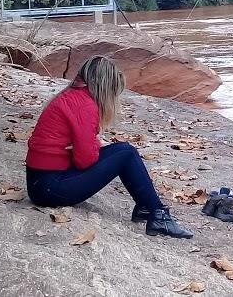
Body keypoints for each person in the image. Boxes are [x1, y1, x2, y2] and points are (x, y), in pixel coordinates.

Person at [24, 55, 192, 238]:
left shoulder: (70, 96)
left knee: (122, 152)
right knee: (126, 153)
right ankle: (158, 215)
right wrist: (89, 149)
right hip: (50, 188)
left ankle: (147, 207)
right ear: (104, 88)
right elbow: (85, 161)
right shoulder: (85, 105)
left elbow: (81, 146)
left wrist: (84, 148)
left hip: (41, 182)